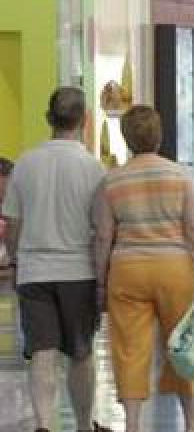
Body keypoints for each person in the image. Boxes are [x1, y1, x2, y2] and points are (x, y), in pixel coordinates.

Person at [93, 106, 194, 432]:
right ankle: (192, 423)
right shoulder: (179, 176)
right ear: (159, 135)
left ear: (126, 138)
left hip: (127, 270)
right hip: (174, 269)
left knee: (130, 348)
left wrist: (100, 281)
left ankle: (132, 425)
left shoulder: (112, 180)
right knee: (183, 344)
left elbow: (104, 235)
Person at [1, 88, 112, 432]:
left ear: (48, 119)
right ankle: (82, 425)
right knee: (80, 353)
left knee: (42, 352)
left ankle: (44, 425)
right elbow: (101, 227)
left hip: (34, 272)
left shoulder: (25, 164)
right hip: (79, 271)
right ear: (84, 120)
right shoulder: (94, 169)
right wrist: (103, 276)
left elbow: (12, 225)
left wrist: (19, 259)